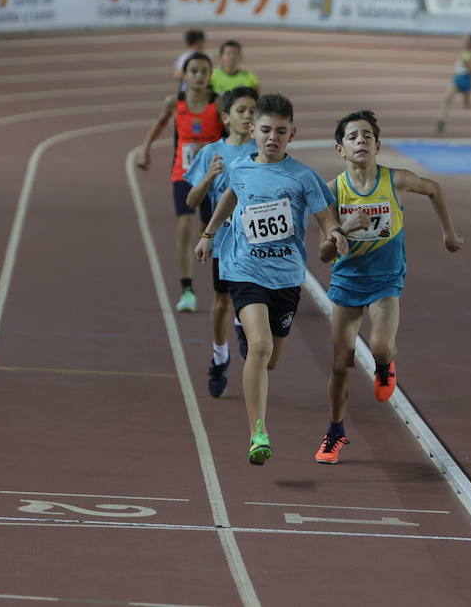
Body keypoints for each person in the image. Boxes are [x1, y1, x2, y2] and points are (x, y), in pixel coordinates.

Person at [193, 93, 348, 465]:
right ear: (252, 130)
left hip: (286, 277)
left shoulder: (303, 177)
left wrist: (334, 233)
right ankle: (257, 432)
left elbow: (326, 217)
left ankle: (248, 336)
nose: (272, 137)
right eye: (265, 130)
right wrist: (208, 235)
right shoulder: (241, 168)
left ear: (292, 133)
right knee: (260, 348)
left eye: (280, 131)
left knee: (271, 359)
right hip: (244, 270)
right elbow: (229, 197)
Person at [312, 110, 463, 464]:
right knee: (340, 363)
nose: (360, 141)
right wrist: (344, 228)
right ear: (340, 149)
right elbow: (321, 254)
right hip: (347, 281)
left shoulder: (395, 180)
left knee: (380, 346)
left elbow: (434, 189)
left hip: (386, 279)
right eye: (352, 136)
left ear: (378, 145)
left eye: (367, 136)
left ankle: (384, 365)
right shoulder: (332, 191)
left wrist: (449, 233)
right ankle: (334, 432)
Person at [183, 86, 260, 397]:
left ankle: (243, 326)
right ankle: (219, 356)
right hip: (224, 238)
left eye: (253, 111)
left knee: (249, 296)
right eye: (241, 110)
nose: (248, 116)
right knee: (220, 301)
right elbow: (191, 200)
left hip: (255, 240)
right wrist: (208, 177)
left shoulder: (263, 151)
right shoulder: (211, 153)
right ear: (226, 117)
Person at [137, 51, 224, 313]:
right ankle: (187, 289)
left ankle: (224, 286)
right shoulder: (174, 103)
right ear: (184, 75)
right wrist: (145, 149)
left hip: (213, 178)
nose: (198, 76)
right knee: (184, 228)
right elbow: (159, 125)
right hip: (183, 174)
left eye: (203, 71)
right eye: (193, 71)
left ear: (210, 76)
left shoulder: (217, 104)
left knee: (213, 232)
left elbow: (233, 135)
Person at [436, 34, 471, 133]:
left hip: (466, 80)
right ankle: (441, 122)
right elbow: (460, 66)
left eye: (466, 41)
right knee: (447, 99)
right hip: (457, 79)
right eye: (464, 40)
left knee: (467, 105)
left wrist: (466, 63)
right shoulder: (464, 52)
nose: (463, 42)